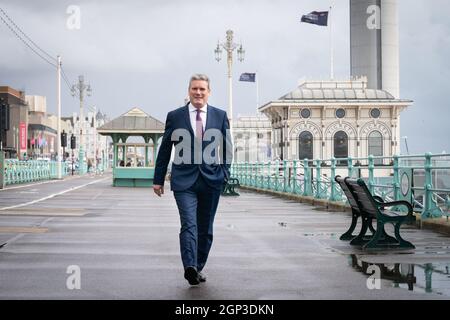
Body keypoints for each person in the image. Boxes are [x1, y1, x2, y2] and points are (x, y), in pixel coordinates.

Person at [153, 74, 232, 286]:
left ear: (208, 92)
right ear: (189, 91)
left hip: (211, 180)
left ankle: (197, 267)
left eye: (202, 89)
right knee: (189, 224)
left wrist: (225, 173)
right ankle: (189, 266)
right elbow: (165, 149)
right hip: (183, 181)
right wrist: (158, 178)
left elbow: (226, 148)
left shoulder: (220, 115)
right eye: (195, 89)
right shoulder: (175, 116)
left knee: (205, 228)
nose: (198, 92)